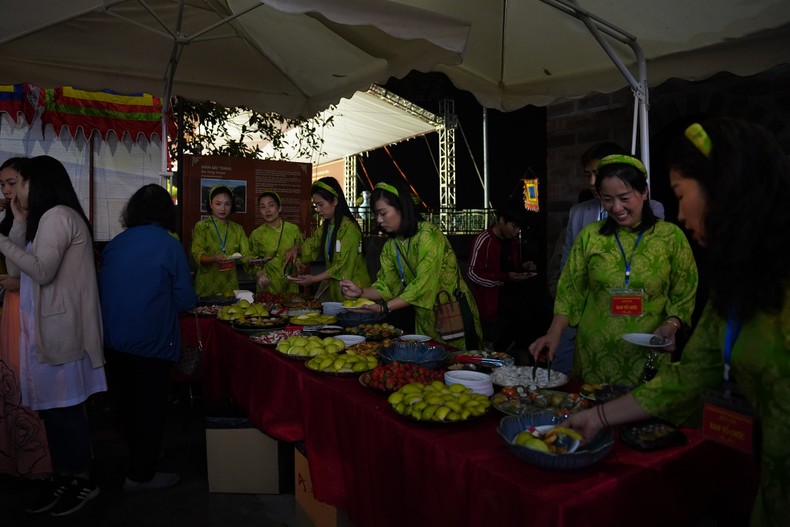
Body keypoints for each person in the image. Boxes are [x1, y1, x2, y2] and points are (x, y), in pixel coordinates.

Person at [565, 117, 790, 527]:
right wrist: (596, 418)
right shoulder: (739, 283)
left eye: (683, 193)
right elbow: (690, 375)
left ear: (728, 190)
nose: (681, 212)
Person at [529, 154, 698, 386]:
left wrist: (671, 324)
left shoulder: (670, 237)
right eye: (607, 199)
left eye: (624, 197)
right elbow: (570, 292)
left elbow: (684, 291)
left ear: (644, 192)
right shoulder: (590, 236)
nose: (616, 208)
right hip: (593, 355)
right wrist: (554, 333)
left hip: (648, 354)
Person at [0, 155, 106, 516]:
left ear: (39, 183)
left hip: (64, 332)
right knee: (55, 411)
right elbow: (19, 268)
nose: (15, 192)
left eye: (21, 183)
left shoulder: (59, 215)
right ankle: (66, 476)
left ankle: (82, 480)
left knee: (66, 411)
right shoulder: (42, 220)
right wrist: (15, 226)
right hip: (47, 329)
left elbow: (42, 272)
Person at [99, 184, 197, 493]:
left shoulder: (116, 243)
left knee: (126, 404)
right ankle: (142, 474)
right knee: (150, 407)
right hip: (151, 340)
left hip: (112, 338)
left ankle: (142, 456)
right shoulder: (169, 245)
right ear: (168, 213)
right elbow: (186, 300)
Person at [547, 142, 667, 375]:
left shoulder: (653, 211)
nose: (592, 182)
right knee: (565, 366)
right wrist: (561, 297)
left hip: (628, 311)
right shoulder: (579, 213)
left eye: (597, 174)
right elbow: (567, 260)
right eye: (587, 175)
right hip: (580, 307)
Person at [340, 181, 483, 350]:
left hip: (452, 313)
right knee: (429, 363)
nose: (379, 220)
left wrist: (383, 307)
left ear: (402, 208)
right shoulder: (391, 245)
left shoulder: (428, 235)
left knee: (459, 363)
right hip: (424, 319)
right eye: (376, 214)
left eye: (383, 213)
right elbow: (386, 285)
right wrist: (361, 292)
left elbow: (423, 285)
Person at [0, 157, 52, 479]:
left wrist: (19, 282)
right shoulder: (11, 217)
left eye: (12, 183)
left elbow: (40, 271)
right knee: (12, 378)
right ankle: (15, 458)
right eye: (3, 184)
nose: (7, 190)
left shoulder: (45, 220)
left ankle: (41, 463)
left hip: (31, 307)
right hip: (12, 306)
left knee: (29, 377)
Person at [283, 177, 370, 301]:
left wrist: (313, 279)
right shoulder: (326, 226)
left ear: (334, 201)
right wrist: (296, 249)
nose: (318, 210)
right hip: (336, 290)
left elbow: (342, 265)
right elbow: (311, 244)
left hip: (355, 289)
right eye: (316, 205)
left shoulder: (350, 229)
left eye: (321, 204)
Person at [467, 200, 537, 352]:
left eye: (519, 227)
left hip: (510, 299)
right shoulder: (483, 240)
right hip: (491, 304)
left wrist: (523, 267)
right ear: (502, 220)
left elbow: (512, 266)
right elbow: (472, 274)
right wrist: (504, 277)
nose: (517, 231)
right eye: (514, 226)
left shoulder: (512, 241)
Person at [191, 184, 249, 298]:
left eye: (227, 204)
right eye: (218, 204)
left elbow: (246, 254)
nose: (223, 208)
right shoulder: (202, 226)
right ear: (211, 204)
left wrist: (256, 263)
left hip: (230, 283)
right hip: (206, 284)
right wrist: (213, 258)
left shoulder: (237, 228)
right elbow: (197, 254)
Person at [247, 191, 303, 295]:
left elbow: (300, 252)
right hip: (266, 286)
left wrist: (298, 264)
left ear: (279, 208)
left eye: (271, 205)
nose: (267, 210)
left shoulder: (293, 230)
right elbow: (250, 260)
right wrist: (259, 274)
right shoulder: (256, 234)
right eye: (262, 207)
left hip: (290, 287)